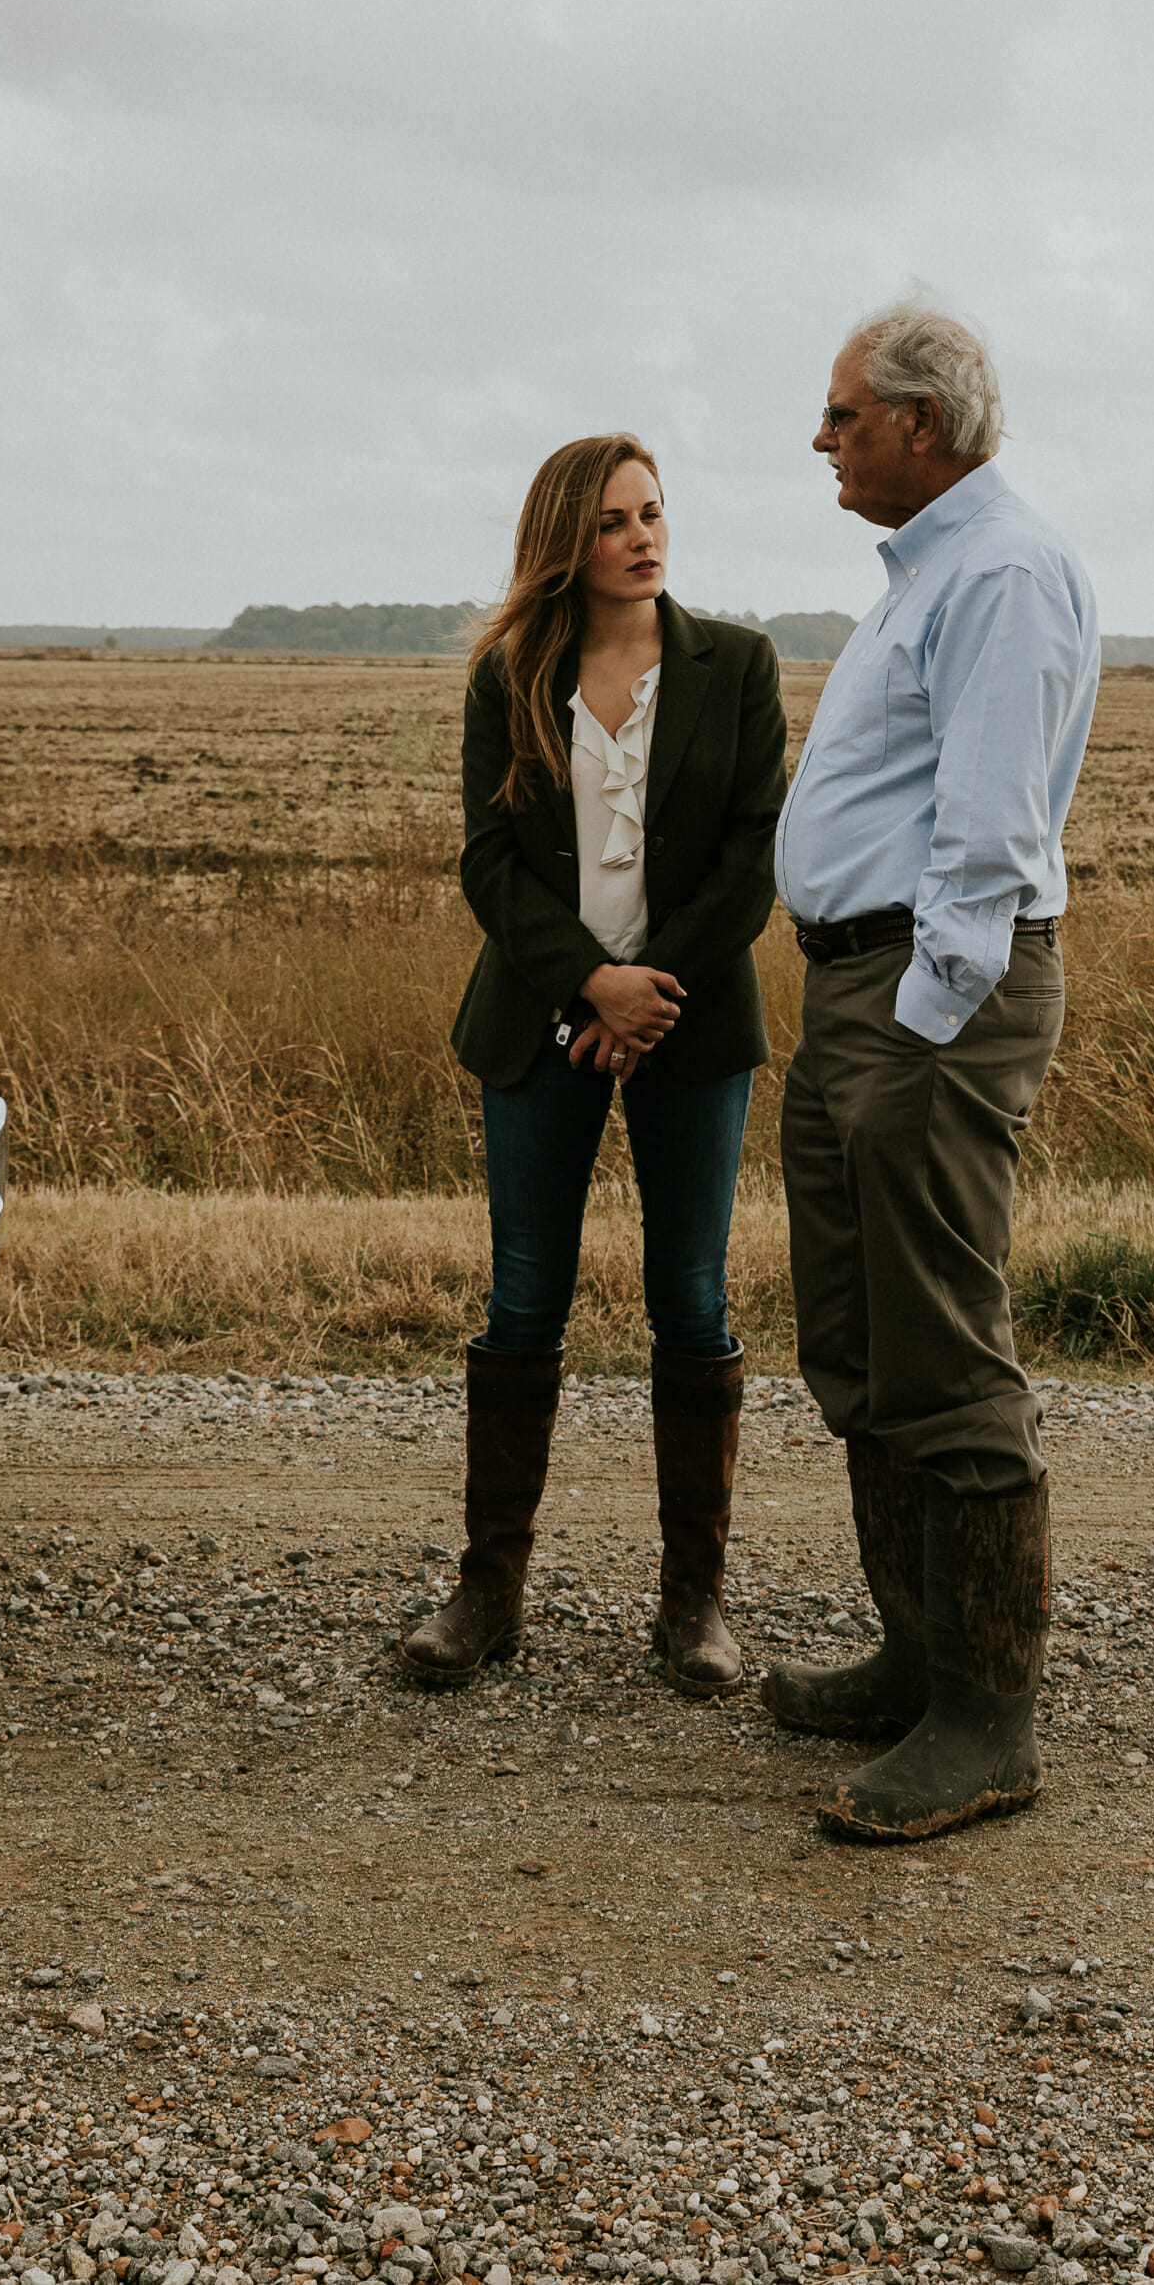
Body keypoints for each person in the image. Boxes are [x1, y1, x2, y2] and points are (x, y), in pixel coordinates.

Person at [764, 307, 1100, 1840]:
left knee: (945, 1350)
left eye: (841, 415)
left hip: (923, 998)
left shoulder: (1003, 573)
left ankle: (988, 1722)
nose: (822, 439)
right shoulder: (929, 575)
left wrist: (922, 1014)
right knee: (859, 1339)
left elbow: (986, 830)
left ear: (921, 422)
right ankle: (916, 1655)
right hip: (857, 990)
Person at [402, 433, 787, 1701]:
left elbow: (749, 852)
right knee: (524, 1296)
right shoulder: (510, 673)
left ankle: (694, 1607)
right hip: (537, 1015)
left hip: (688, 1015)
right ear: (566, 536)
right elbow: (486, 861)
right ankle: (487, 1593)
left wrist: (644, 995)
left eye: (655, 512)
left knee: (690, 1297)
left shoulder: (734, 664)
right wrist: (587, 982)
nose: (643, 535)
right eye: (617, 518)